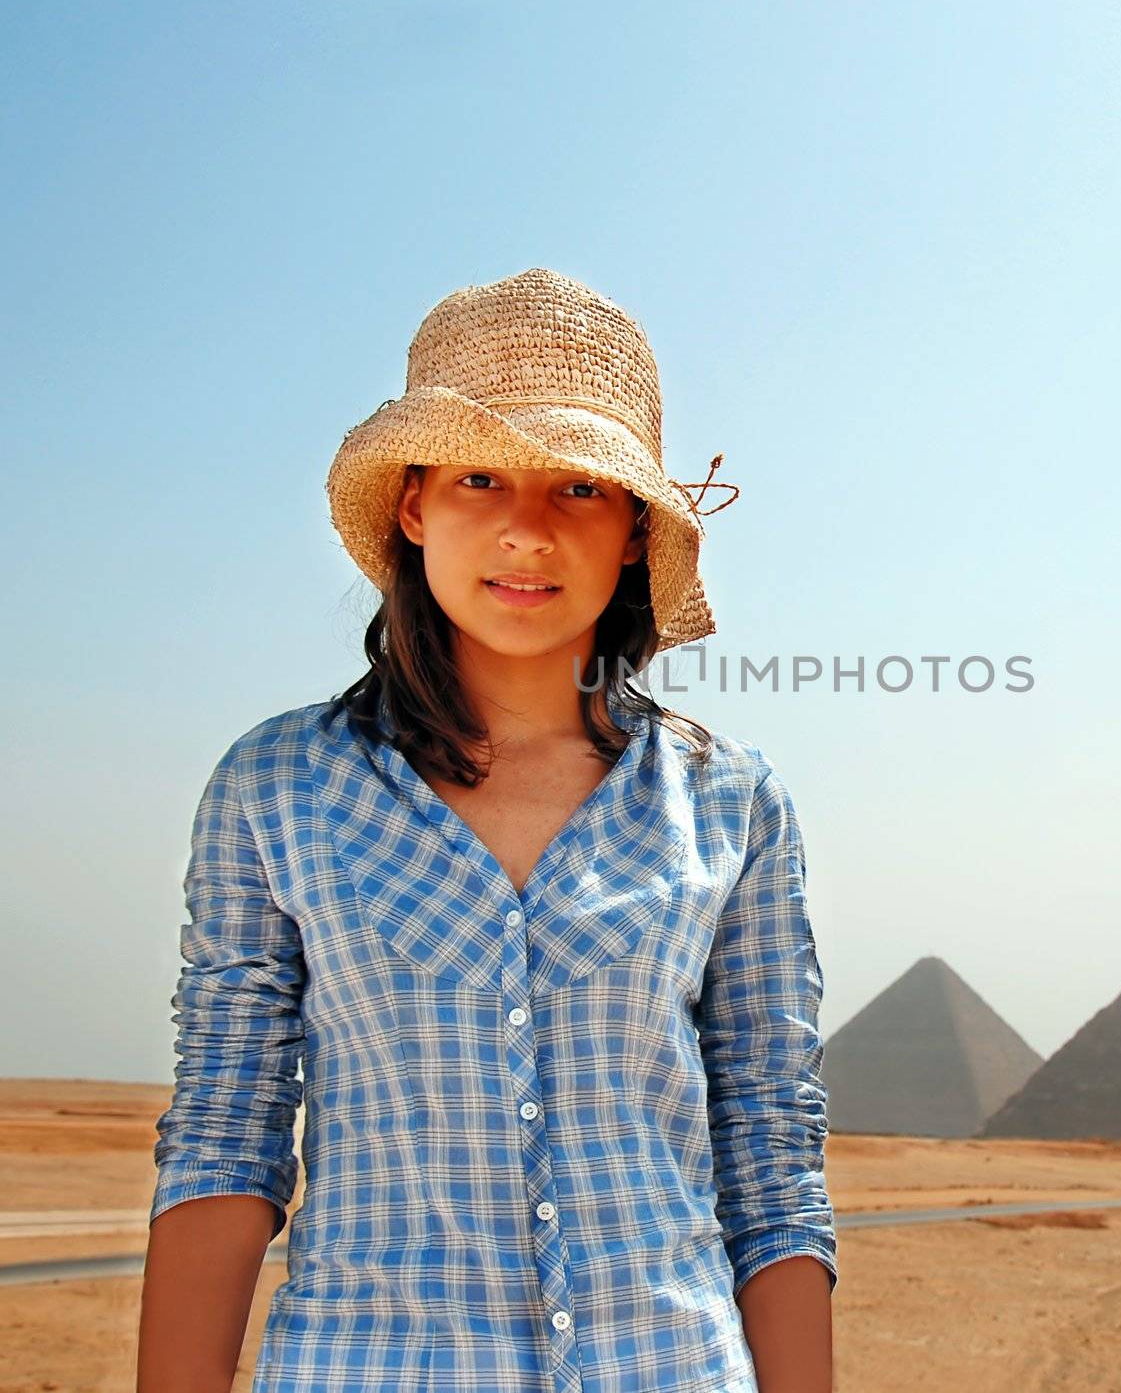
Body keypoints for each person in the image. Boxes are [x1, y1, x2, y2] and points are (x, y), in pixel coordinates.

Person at [137, 267, 838, 1392]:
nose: (525, 530)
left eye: (579, 489)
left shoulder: (732, 802)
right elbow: (226, 1135)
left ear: (630, 536)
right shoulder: (272, 787)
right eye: (478, 476)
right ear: (413, 505)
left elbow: (770, 1154)